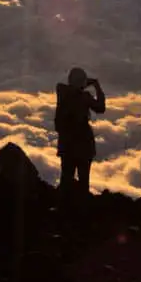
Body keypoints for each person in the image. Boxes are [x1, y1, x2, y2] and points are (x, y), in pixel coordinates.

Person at [54, 67, 105, 199]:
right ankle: (82, 212)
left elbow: (73, 88)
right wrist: (96, 86)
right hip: (83, 146)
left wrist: (85, 83)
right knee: (83, 183)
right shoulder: (84, 98)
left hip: (67, 146)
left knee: (66, 179)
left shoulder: (62, 92)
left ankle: (63, 210)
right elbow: (101, 108)